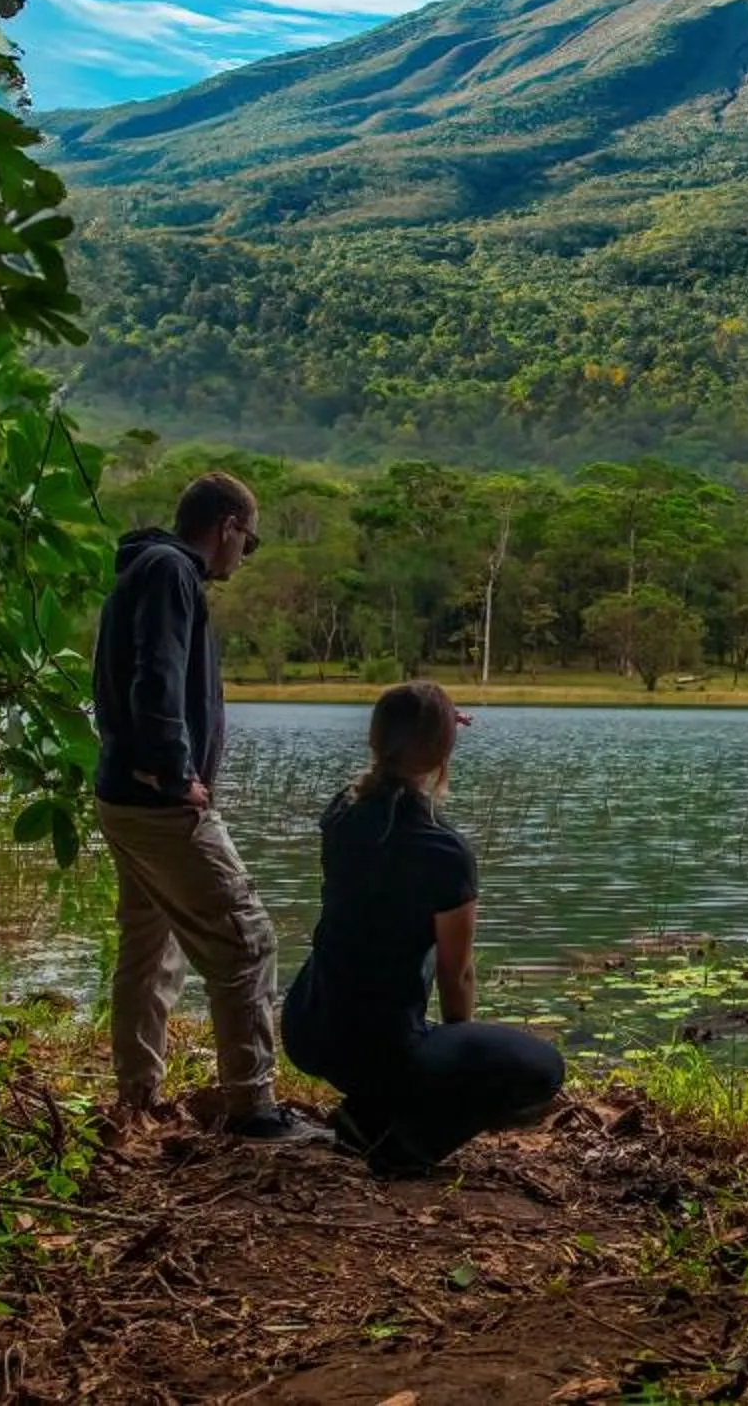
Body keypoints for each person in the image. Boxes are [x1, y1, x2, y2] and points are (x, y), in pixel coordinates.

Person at [91, 471, 325, 1143]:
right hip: (157, 804)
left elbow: (123, 676)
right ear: (226, 526)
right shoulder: (170, 571)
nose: (242, 558)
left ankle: (137, 1097)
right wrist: (172, 772)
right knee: (247, 942)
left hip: (123, 797)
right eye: (246, 544)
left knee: (149, 948)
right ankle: (253, 1110)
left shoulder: (147, 569)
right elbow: (155, 675)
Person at [283, 680, 564, 1175]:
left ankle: (368, 1111)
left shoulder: (341, 812)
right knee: (542, 1069)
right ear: (441, 752)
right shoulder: (444, 851)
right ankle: (400, 1144)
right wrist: (458, 1063)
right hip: (381, 1050)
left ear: (375, 740)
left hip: (309, 1027)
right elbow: (456, 978)